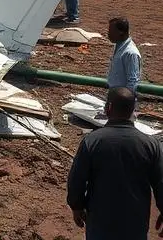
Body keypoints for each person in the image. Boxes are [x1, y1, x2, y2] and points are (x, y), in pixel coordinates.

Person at [66, 86, 163, 240]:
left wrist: (76, 206)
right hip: (135, 225)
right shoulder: (151, 144)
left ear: (108, 108)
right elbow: (161, 183)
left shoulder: (92, 141)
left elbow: (76, 180)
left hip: (100, 224)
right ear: (133, 111)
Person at [107, 17, 142, 93]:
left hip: (122, 98)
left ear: (121, 32)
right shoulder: (119, 47)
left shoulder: (130, 53)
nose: (108, 34)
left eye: (111, 31)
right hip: (115, 94)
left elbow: (133, 82)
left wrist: (123, 98)